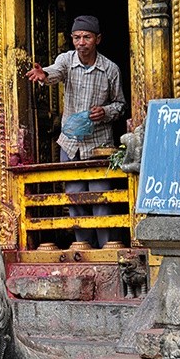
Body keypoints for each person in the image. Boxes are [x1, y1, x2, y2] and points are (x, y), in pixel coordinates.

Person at [26, 15, 126, 248]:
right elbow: (55, 71)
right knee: (75, 200)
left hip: (99, 146)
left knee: (101, 201)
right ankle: (82, 246)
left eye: (87, 37)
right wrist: (44, 75)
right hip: (71, 145)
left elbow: (120, 105)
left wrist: (106, 111)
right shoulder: (67, 61)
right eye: (77, 37)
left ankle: (106, 248)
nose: (81, 42)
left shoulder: (110, 69)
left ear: (97, 39)